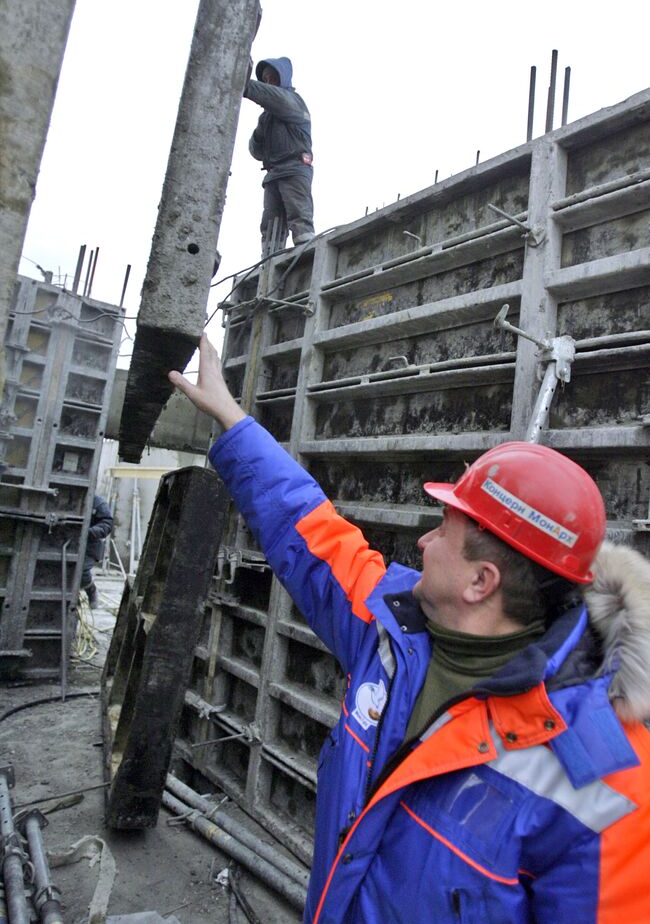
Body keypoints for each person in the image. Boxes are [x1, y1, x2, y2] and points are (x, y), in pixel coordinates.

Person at [169, 335, 650, 924]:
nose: (422, 541)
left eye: (442, 530)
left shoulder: (611, 782)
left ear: (481, 581)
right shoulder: (393, 626)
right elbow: (312, 531)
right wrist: (232, 420)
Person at [244, 56, 314, 253]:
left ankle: (306, 254)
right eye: (265, 80)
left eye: (272, 78)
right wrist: (258, 137)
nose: (268, 83)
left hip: (294, 169)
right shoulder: (266, 118)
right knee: (270, 226)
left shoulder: (292, 102)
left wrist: (241, 81)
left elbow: (269, 95)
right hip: (274, 173)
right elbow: (256, 151)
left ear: (282, 78)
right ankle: (269, 261)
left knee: (299, 217)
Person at [80, 494, 113, 609]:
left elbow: (107, 524)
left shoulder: (98, 502)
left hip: (89, 546)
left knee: (81, 569)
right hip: (67, 543)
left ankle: (91, 590)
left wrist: (91, 532)